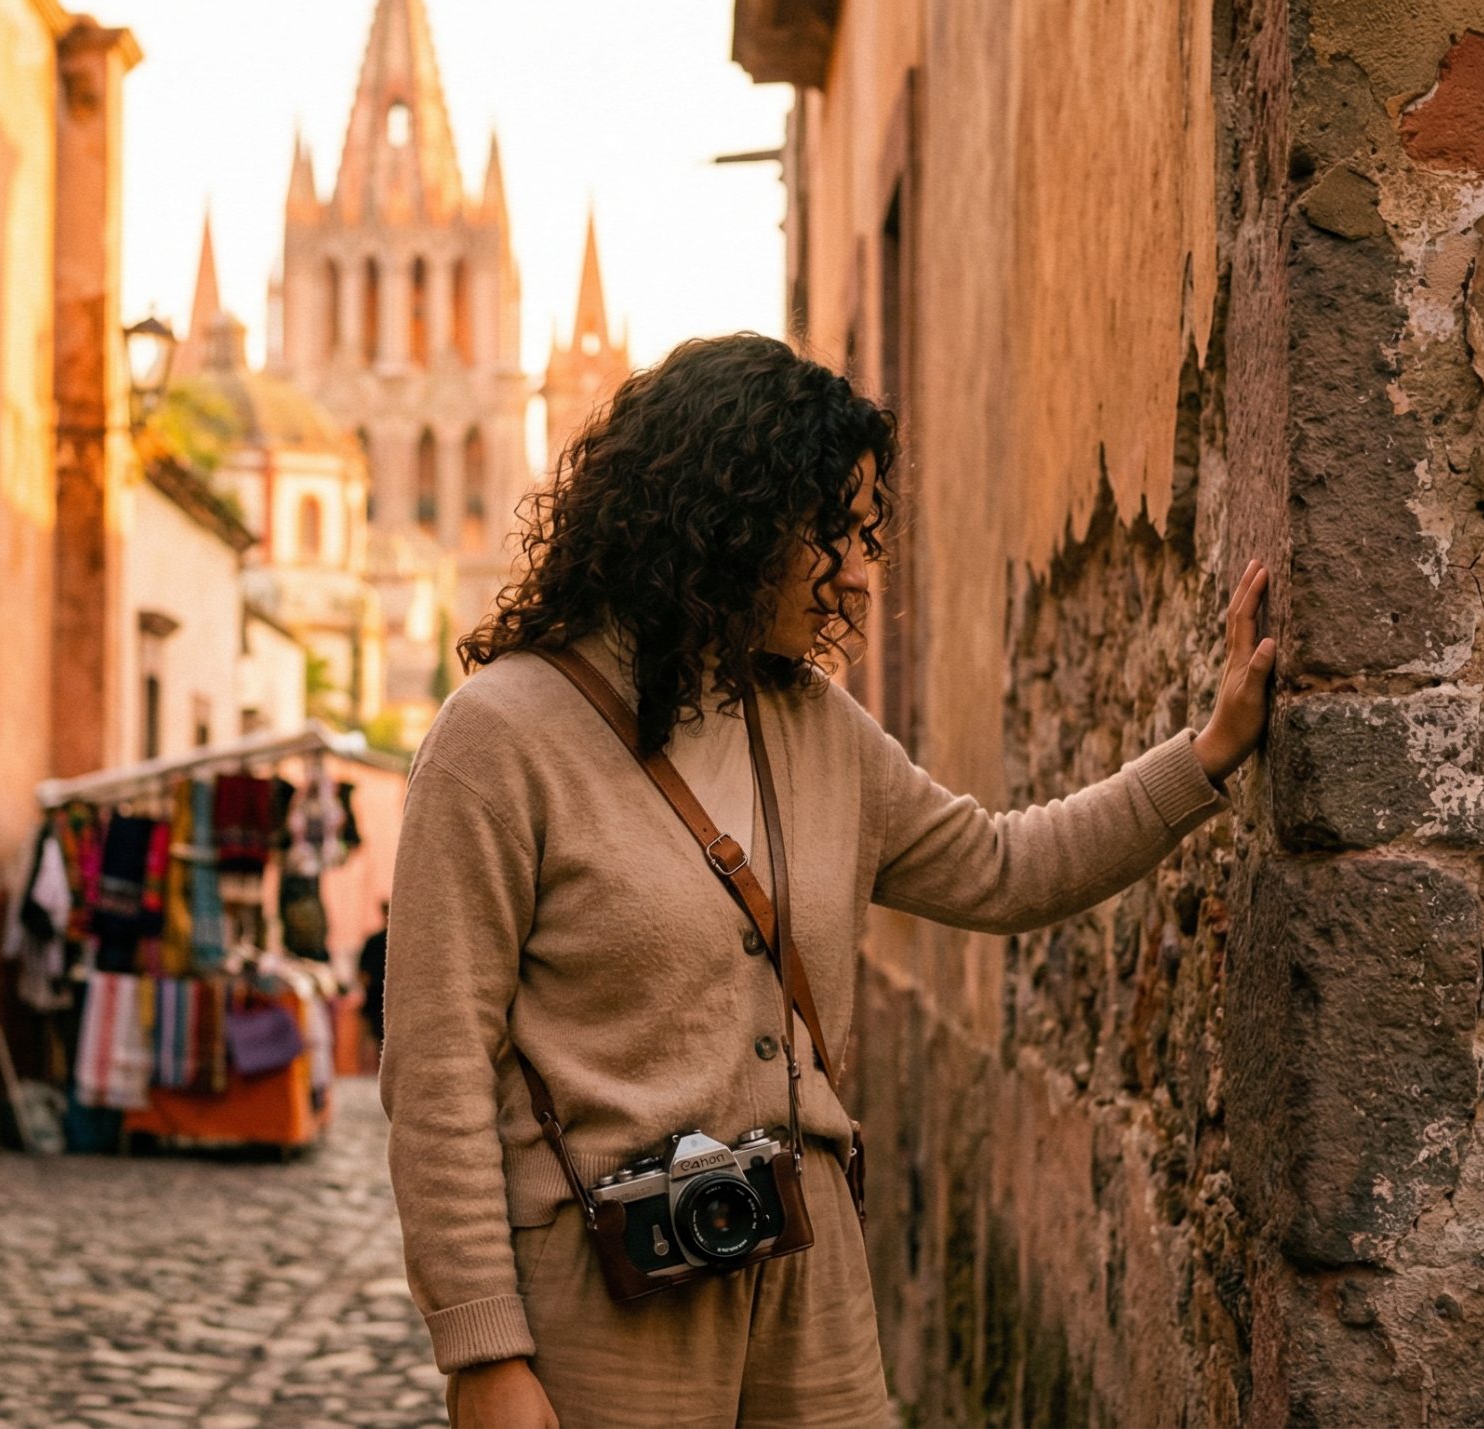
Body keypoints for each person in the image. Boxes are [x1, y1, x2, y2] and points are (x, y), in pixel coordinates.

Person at [377, 334, 1274, 1427]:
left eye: (862, 535)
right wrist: (482, 1349)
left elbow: (1002, 867)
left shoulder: (812, 726)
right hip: (606, 1294)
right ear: (726, 517)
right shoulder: (501, 735)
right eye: (830, 533)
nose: (857, 570)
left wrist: (1207, 755)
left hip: (810, 1280)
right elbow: (435, 1066)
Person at [358, 901, 390, 1049]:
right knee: (380, 1036)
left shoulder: (376, 940)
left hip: (381, 994)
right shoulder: (375, 940)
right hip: (377, 996)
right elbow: (363, 972)